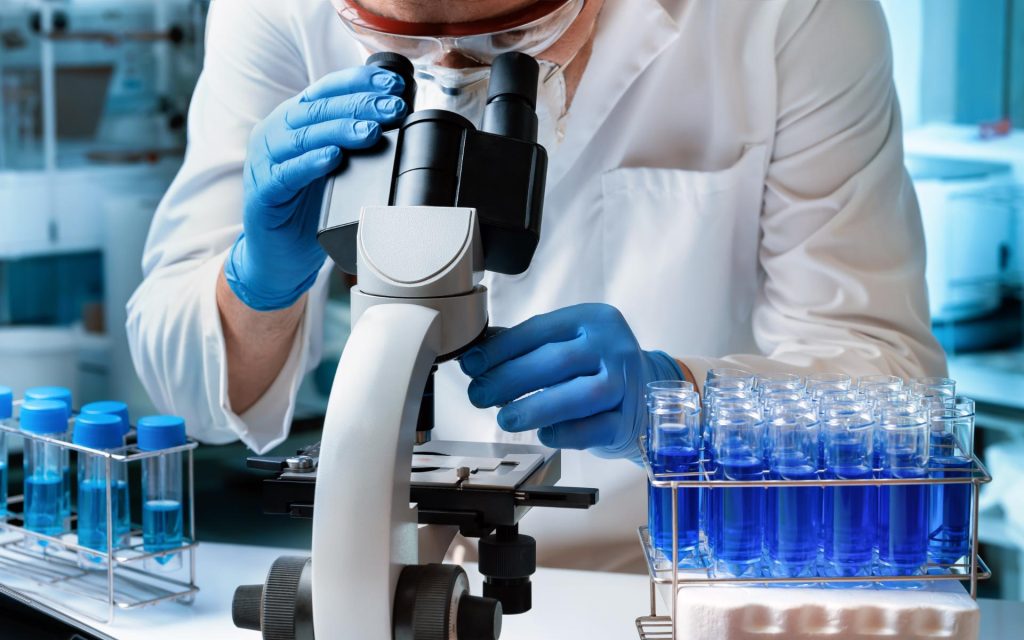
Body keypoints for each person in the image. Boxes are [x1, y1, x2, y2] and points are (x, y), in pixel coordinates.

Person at [127, 0, 946, 572]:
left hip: (683, 578)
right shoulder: (275, 10)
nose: (448, 71)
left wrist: (677, 405)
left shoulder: (788, 16)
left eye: (508, 36)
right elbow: (187, 392)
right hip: (403, 568)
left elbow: (895, 389)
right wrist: (259, 280)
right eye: (400, 40)